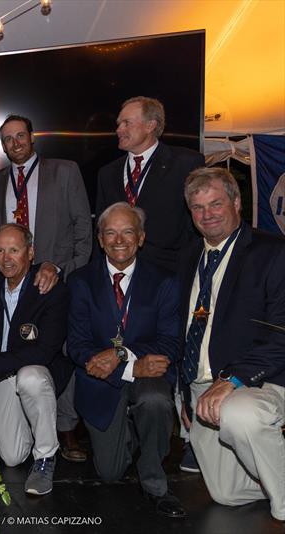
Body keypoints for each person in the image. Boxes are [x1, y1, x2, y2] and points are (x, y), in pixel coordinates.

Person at [178, 167, 285, 522]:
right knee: (227, 493)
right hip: (201, 387)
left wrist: (233, 380)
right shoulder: (188, 257)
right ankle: (275, 481)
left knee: (238, 414)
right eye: (197, 207)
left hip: (259, 380)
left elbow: (282, 332)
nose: (207, 214)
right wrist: (183, 391)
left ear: (237, 203)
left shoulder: (273, 253)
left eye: (216, 204)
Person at [67, 202, 184, 518]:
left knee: (156, 401)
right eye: (110, 232)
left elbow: (171, 342)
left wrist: (121, 353)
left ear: (142, 237)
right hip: (100, 382)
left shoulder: (165, 281)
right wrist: (130, 366)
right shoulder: (79, 282)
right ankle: (131, 436)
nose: (119, 240)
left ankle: (155, 481)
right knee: (110, 473)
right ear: (100, 239)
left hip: (149, 378)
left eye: (128, 231)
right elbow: (77, 345)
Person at [0, 114, 92, 461]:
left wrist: (63, 270)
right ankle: (22, 423)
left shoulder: (64, 171)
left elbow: (83, 228)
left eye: (20, 136)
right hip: (17, 280)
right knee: (22, 347)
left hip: (56, 279)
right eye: (7, 139)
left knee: (60, 352)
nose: (15, 143)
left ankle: (66, 430)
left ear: (33, 138)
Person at [0, 224, 71, 495]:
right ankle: (32, 422)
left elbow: (45, 350)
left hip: (39, 371)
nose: (6, 258)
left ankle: (46, 457)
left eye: (14, 250)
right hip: (3, 373)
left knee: (30, 377)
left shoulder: (49, 289)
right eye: (0, 250)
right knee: (12, 457)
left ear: (30, 252)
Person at [95, 96, 205, 273]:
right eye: (118, 124)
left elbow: (196, 224)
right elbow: (100, 227)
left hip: (170, 272)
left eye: (126, 123)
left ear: (150, 125)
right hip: (119, 272)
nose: (118, 130)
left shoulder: (186, 164)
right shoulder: (107, 173)